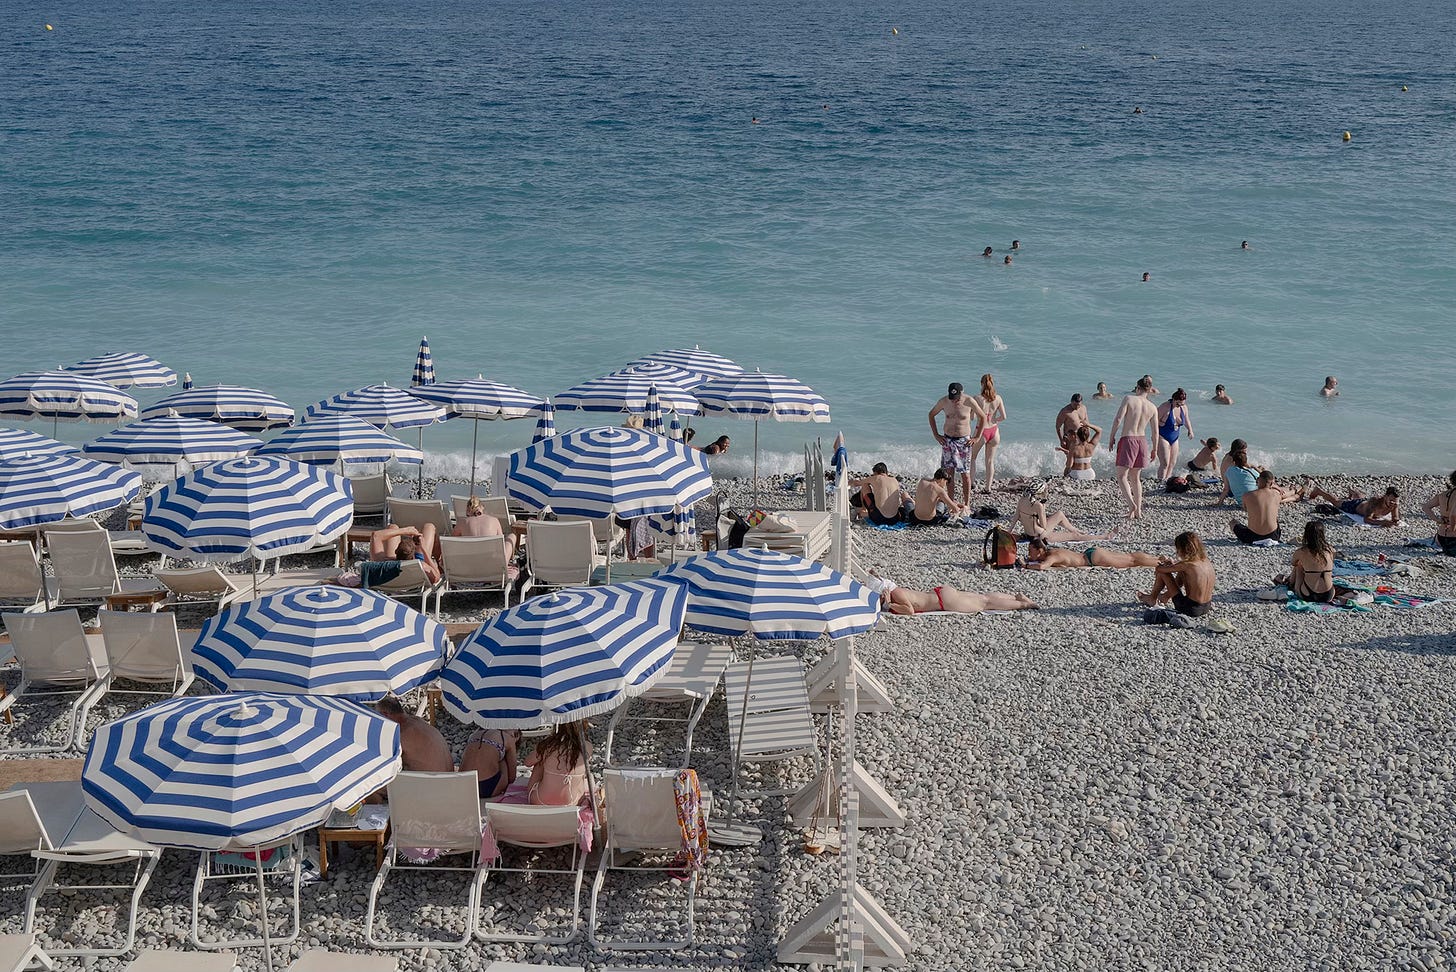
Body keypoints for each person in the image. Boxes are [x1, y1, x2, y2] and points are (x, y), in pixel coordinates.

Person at [1109, 376, 1158, 519]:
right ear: (1149, 390)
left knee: (1121, 475)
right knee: (1136, 478)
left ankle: (1131, 505)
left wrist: (1112, 436)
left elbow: (1118, 419)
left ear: (1137, 388)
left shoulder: (1129, 399)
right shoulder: (1152, 407)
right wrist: (1154, 448)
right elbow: (1155, 432)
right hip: (1142, 441)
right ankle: (1138, 511)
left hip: (1128, 439)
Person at [1137, 531, 1215, 617]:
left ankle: (1152, 598)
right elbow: (1181, 567)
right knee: (1182, 573)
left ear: (1182, 549)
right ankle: (1165, 597)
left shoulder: (1186, 565)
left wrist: (1164, 563)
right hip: (1206, 606)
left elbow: (1160, 569)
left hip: (1189, 608)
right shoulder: (1205, 560)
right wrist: (1171, 565)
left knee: (1162, 573)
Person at [928, 381, 982, 503]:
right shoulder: (944, 401)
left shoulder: (969, 401)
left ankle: (967, 503)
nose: (954, 401)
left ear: (962, 393)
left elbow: (982, 416)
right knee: (949, 474)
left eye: (956, 398)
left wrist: (977, 437)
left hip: (964, 442)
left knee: (965, 475)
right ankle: (951, 502)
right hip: (948, 440)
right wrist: (936, 435)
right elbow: (931, 415)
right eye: (952, 398)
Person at [1013, 482, 1114, 541]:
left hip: (1029, 534)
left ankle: (1074, 529)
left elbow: (1014, 520)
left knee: (1060, 515)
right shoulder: (1038, 505)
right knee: (1075, 536)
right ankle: (1104, 537)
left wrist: (1008, 533)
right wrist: (1043, 509)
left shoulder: (1022, 501)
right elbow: (1044, 526)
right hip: (1041, 536)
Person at [375, 696, 454, 773]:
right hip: (449, 779)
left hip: (431, 783)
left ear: (385, 714)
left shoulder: (402, 734)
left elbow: (384, 761)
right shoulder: (418, 721)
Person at [523, 723, 590, 806]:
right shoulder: (587, 746)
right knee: (579, 770)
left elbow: (527, 762)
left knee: (540, 762)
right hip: (572, 802)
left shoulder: (549, 745)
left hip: (539, 801)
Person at [1275, 521, 1338, 603]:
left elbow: (1293, 563)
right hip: (1328, 595)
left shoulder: (1301, 552)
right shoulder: (1331, 550)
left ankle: (1289, 583)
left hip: (1307, 594)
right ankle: (1289, 582)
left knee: (1299, 565)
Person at [883, 583, 1037, 615]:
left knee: (985, 604)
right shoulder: (895, 590)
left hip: (944, 601)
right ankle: (1016, 597)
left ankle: (1023, 604)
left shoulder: (896, 594)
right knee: (983, 597)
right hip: (940, 593)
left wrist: (890, 604)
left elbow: (909, 610)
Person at [459, 727, 521, 799]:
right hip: (487, 786)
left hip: (463, 784)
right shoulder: (508, 739)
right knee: (503, 760)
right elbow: (512, 778)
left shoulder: (475, 734)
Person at [1021, 538, 1161, 570]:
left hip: (1092, 558)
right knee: (1130, 556)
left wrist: (1026, 565)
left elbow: (1042, 567)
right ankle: (1158, 559)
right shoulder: (1052, 551)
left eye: (1030, 551)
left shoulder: (1052, 556)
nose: (1028, 553)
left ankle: (1159, 563)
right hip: (1091, 552)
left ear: (1040, 551)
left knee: (1132, 562)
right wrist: (1031, 560)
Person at [969, 374, 1006, 492]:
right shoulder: (998, 398)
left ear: (981, 384)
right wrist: (994, 420)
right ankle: (988, 487)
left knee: (973, 457)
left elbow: (972, 417)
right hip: (994, 431)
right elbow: (1004, 417)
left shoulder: (977, 398)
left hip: (982, 430)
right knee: (990, 461)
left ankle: (972, 483)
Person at [370, 524, 441, 584]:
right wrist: (424, 549)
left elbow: (375, 535)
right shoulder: (423, 566)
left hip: (392, 575)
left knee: (393, 527)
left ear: (395, 551)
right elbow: (436, 578)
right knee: (429, 527)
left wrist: (405, 530)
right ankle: (440, 562)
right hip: (414, 576)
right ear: (414, 554)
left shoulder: (381, 563)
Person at [1306, 482, 1401, 527]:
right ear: (1385, 497)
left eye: (1395, 501)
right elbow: (1367, 519)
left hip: (1363, 503)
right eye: (1391, 500)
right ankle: (1318, 491)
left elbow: (1395, 518)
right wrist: (1383, 522)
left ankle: (1353, 492)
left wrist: (1395, 521)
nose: (1393, 503)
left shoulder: (1394, 505)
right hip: (1355, 507)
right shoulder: (1375, 503)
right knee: (1336, 502)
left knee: (1361, 497)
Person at [453, 495, 518, 556]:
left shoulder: (462, 523)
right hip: (492, 562)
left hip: (469, 559)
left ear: (467, 510)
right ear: (482, 507)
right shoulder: (494, 520)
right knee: (512, 536)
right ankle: (507, 564)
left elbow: (453, 542)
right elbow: (500, 545)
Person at [1231, 470, 1282, 543]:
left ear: (1258, 480)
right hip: (1274, 536)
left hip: (1253, 537)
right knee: (1274, 518)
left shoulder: (1247, 495)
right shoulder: (1277, 495)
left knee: (1233, 522)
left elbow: (1246, 509)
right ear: (1271, 484)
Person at [1154, 389, 1193, 480]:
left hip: (1175, 437)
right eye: (1178, 404)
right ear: (1173, 399)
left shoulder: (1183, 408)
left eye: (1182, 404)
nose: (1180, 405)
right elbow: (1153, 420)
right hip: (1162, 436)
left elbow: (1187, 420)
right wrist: (1159, 426)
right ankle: (1160, 480)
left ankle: (1167, 480)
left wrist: (1190, 430)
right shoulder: (1165, 407)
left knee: (1172, 463)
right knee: (1165, 463)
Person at [1421, 471, 1456, 555]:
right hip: (1453, 539)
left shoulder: (1443, 494)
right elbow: (1453, 515)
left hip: (1440, 538)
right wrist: (1453, 529)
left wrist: (1437, 519)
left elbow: (1425, 507)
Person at [1223, 442, 1259, 506]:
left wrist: (1219, 503)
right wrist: (1255, 468)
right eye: (1244, 450)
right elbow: (1266, 478)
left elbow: (1226, 488)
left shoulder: (1228, 458)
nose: (1246, 451)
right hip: (1232, 491)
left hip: (1233, 489)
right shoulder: (1234, 463)